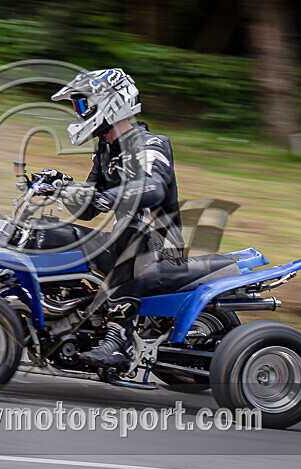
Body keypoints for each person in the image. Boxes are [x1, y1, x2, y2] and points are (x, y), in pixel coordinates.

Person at [51, 68, 184, 371]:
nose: (79, 113)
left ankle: (117, 340)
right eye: (77, 106)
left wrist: (109, 197)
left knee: (129, 236)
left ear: (110, 102)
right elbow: (88, 210)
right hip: (127, 241)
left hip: (159, 248)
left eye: (83, 105)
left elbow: (154, 187)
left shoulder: (151, 144)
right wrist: (64, 189)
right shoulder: (105, 150)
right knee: (61, 235)